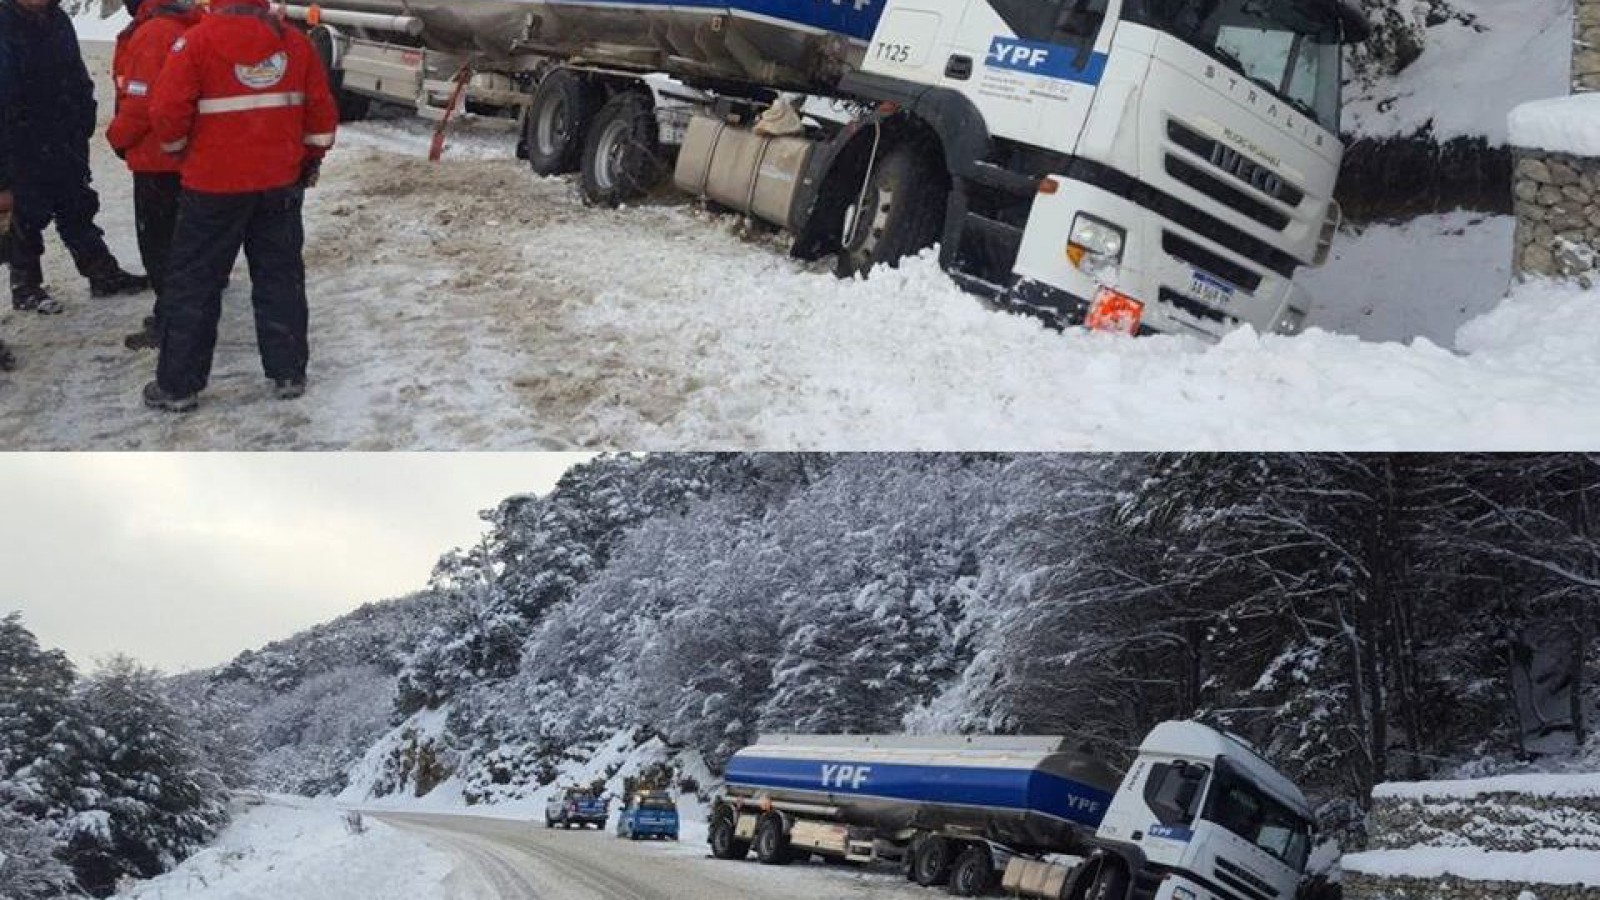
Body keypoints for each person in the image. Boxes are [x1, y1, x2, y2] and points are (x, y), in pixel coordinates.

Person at [144, 0, 337, 412]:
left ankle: (179, 386)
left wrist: (181, 153)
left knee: (195, 284)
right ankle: (288, 372)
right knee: (279, 276)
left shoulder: (195, 43)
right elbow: (321, 113)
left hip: (212, 188)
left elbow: (166, 110)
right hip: (278, 185)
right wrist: (308, 159)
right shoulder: (295, 44)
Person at [0, 0, 149, 316]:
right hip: (19, 141)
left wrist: (83, 116)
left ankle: (101, 272)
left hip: (63, 136)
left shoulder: (58, 20)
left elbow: (76, 73)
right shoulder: (5, 24)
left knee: (77, 203)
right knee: (26, 215)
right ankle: (26, 285)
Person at [107, 0, 201, 350]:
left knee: (160, 249)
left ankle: (173, 324)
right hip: (184, 160)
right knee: (182, 244)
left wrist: (116, 139)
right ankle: (177, 314)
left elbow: (141, 103)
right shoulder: (185, 26)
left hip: (157, 161)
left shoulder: (153, 33)